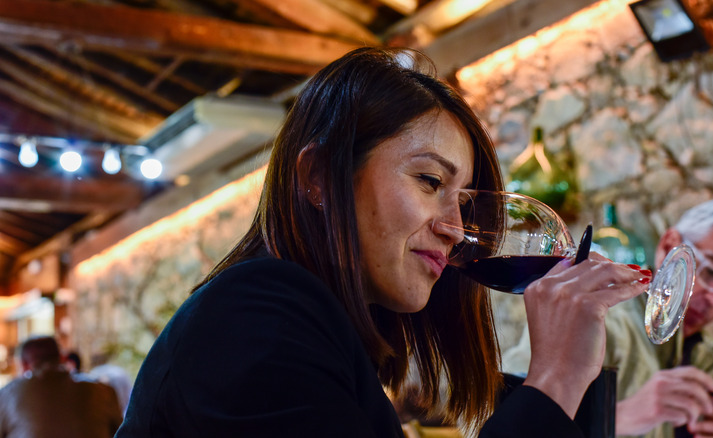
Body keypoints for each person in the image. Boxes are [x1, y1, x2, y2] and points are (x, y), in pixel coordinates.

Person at [116, 47, 648, 437]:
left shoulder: (308, 328)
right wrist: (554, 376)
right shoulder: (257, 313)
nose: (456, 226)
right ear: (320, 177)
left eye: (464, 202)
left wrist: (570, 375)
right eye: (430, 182)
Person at [503, 197, 713, 438]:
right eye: (712, 272)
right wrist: (621, 418)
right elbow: (491, 420)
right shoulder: (590, 318)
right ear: (669, 244)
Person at [0, 335, 123, 438]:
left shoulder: (9, 395)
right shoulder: (103, 391)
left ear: (24, 365)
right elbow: (123, 432)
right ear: (62, 358)